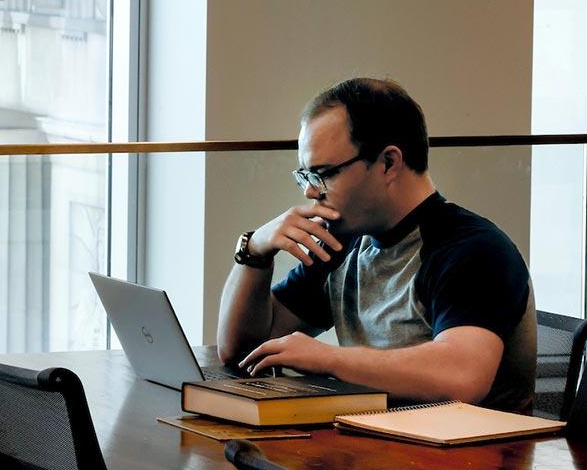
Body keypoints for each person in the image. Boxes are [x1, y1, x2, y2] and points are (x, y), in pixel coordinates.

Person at [217, 78, 535, 413]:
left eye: (324, 173)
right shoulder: (344, 243)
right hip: (379, 448)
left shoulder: (474, 250)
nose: (311, 192)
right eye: (306, 177)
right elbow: (245, 348)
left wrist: (330, 360)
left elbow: (462, 376)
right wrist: (254, 251)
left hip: (476, 459)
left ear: (388, 163)